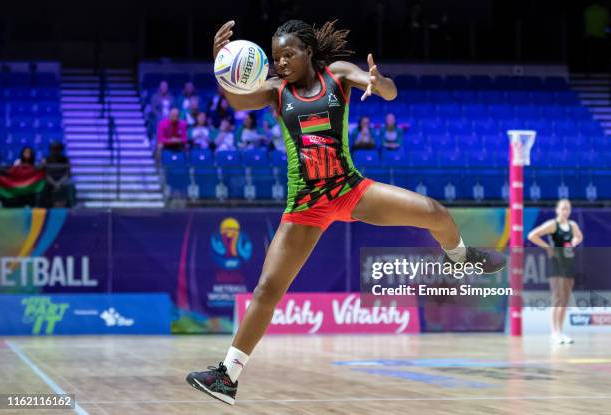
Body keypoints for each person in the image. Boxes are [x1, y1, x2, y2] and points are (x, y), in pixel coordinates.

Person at [186, 19, 505, 406]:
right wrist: (220, 62)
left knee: (435, 212)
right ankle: (227, 377)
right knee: (268, 290)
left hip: (350, 190)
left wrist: (377, 81)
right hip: (306, 203)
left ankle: (459, 257)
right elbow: (237, 100)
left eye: (289, 54)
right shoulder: (274, 91)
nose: (282, 62)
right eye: (276, 57)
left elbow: (387, 91)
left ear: (308, 52)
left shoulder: (336, 76)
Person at [527, 199, 583, 345]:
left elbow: (579, 236)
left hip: (569, 264)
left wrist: (574, 243)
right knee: (557, 297)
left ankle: (560, 331)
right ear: (557, 210)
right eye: (563, 208)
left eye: (568, 209)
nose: (565, 211)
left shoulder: (573, 225)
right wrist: (548, 248)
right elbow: (532, 235)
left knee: (565, 299)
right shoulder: (552, 225)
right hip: (556, 264)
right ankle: (554, 332)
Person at [42, 142, 76, 207]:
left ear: (60, 150)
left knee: (70, 185)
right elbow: (44, 174)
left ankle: (72, 206)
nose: (55, 151)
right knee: (42, 186)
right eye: (53, 149)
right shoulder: (46, 159)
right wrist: (54, 183)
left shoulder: (65, 159)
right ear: (50, 150)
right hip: (49, 181)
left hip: (63, 181)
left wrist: (59, 183)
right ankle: (43, 207)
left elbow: (68, 174)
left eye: (57, 149)